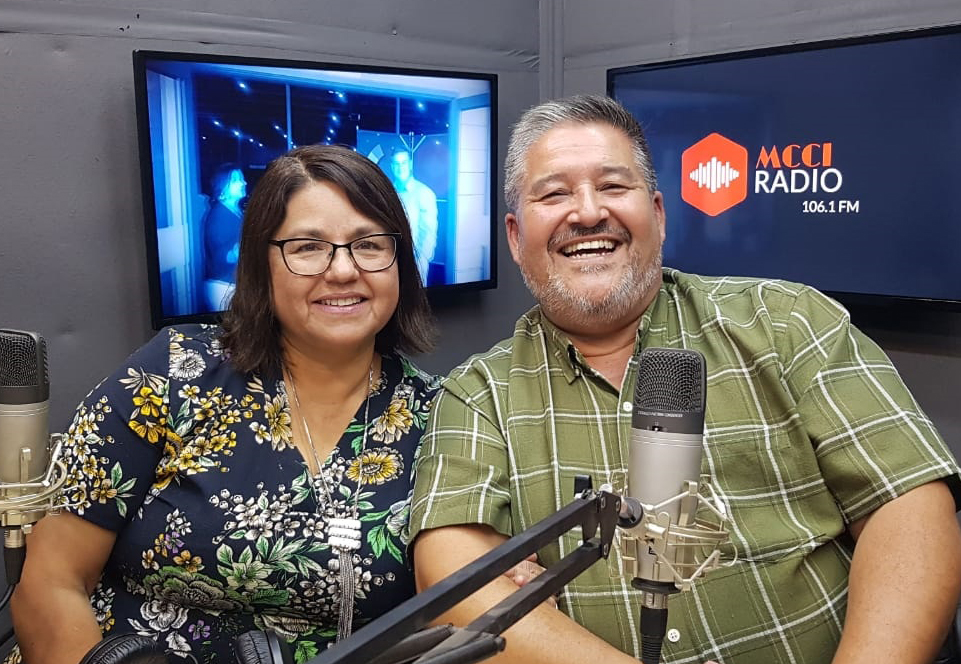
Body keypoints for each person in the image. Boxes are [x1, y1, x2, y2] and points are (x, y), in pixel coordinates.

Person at [409, 95, 961, 664]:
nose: (588, 212)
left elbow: (907, 505)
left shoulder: (786, 322)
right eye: (553, 194)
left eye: (613, 186)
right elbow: (453, 576)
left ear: (658, 213)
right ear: (514, 236)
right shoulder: (479, 393)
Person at [9, 145, 440, 664]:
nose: (344, 269)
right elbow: (51, 581)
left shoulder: (442, 417)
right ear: (262, 263)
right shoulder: (170, 373)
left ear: (401, 261)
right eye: (308, 248)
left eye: (369, 245)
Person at [203, 163, 247, 309]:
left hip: (232, 284)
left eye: (242, 179)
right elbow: (222, 257)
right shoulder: (219, 215)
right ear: (222, 186)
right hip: (222, 287)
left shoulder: (235, 211)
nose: (244, 183)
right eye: (236, 180)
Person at [389, 150, 437, 283]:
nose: (400, 167)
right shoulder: (387, 192)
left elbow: (428, 234)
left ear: (410, 164)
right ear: (392, 166)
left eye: (403, 163)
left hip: (415, 262)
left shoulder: (424, 193)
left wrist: (419, 262)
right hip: (390, 263)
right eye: (396, 164)